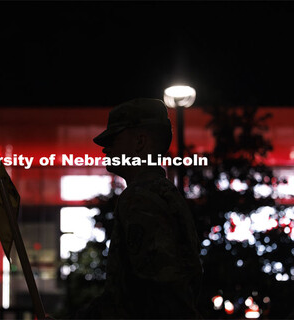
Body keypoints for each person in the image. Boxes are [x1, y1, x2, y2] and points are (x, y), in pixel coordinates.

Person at [77, 98, 202, 319]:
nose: (106, 148)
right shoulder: (164, 193)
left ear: (139, 142)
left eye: (114, 138)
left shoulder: (139, 198)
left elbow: (142, 295)